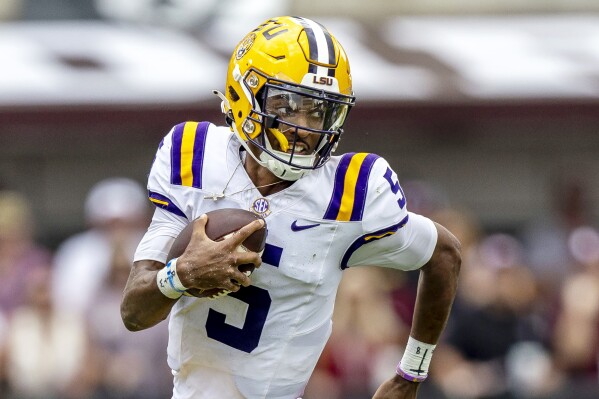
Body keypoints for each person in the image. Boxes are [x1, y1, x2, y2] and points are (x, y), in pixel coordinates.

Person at [121, 16, 461, 399]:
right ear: (245, 94)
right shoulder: (195, 158)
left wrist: (409, 374)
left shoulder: (351, 192)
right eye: (287, 105)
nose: (303, 126)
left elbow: (444, 254)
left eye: (317, 111)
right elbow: (134, 312)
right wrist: (182, 274)